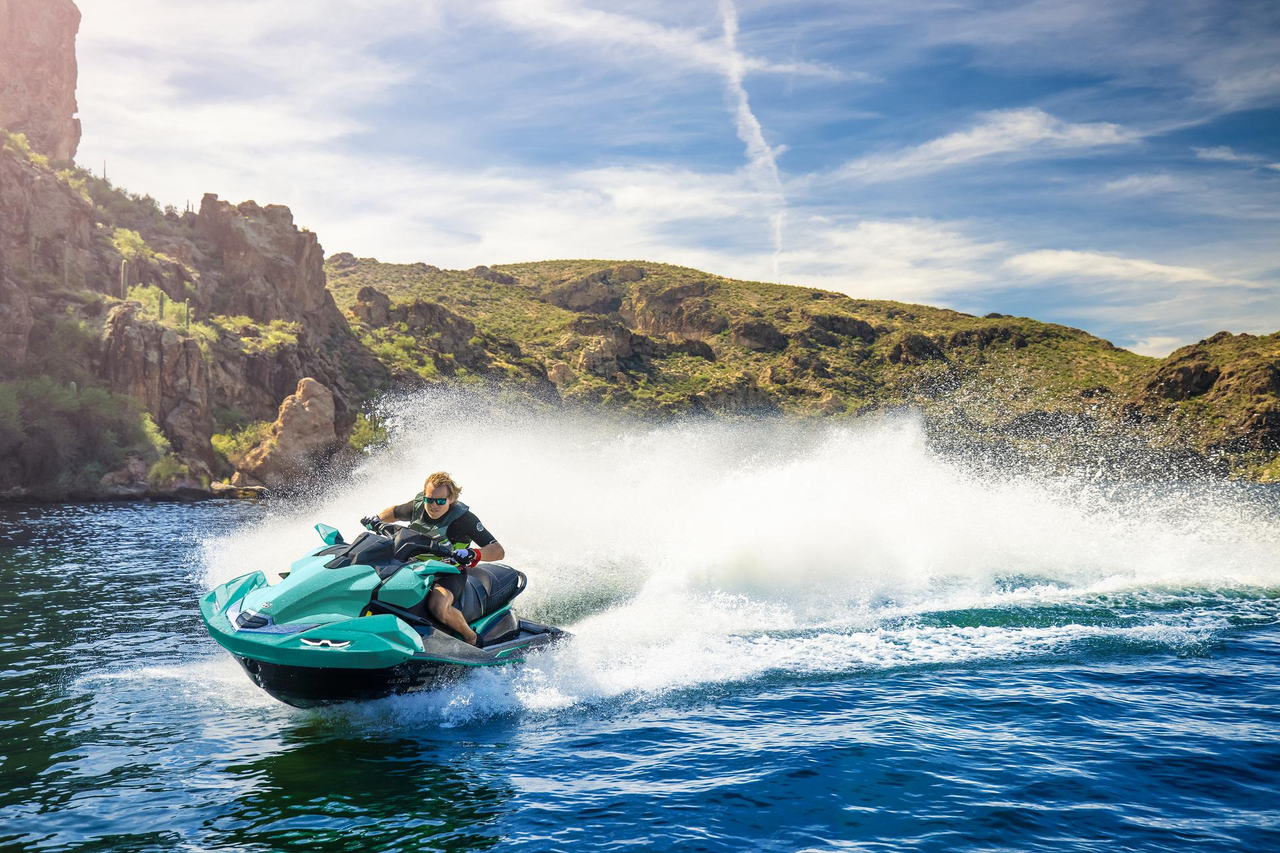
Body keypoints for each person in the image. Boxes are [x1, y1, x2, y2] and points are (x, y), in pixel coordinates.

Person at [373, 471, 504, 646]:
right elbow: (394, 512)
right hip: (414, 567)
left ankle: (471, 638)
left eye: (440, 501)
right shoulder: (418, 507)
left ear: (450, 499)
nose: (434, 505)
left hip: (449, 571)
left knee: (438, 606)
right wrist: (376, 519)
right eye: (429, 499)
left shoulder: (464, 519)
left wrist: (474, 553)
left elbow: (498, 550)